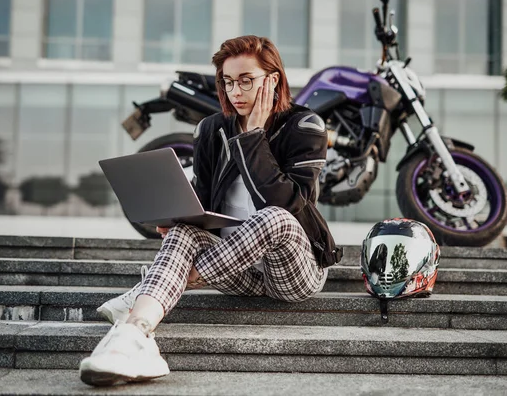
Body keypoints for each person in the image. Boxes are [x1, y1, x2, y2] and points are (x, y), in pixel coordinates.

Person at [79, 35, 342, 387]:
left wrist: (253, 137)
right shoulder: (210, 128)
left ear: (273, 79)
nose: (235, 91)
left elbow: (290, 204)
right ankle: (133, 338)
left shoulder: (305, 126)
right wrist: (178, 217)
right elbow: (203, 199)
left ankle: (151, 290)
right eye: (228, 81)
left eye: (246, 80)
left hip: (294, 269)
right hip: (236, 269)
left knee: (274, 218)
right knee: (185, 233)